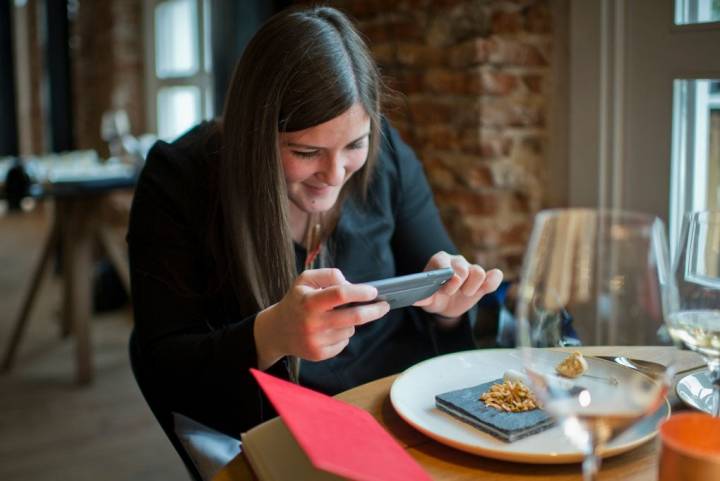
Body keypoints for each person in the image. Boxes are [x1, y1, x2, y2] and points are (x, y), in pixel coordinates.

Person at [127, 5, 503, 441]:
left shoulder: (388, 158)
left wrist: (450, 312)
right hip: (276, 431)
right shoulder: (178, 180)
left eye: (355, 145)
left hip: (405, 411)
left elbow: (442, 300)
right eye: (306, 153)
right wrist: (269, 335)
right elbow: (164, 368)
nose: (336, 174)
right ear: (255, 133)